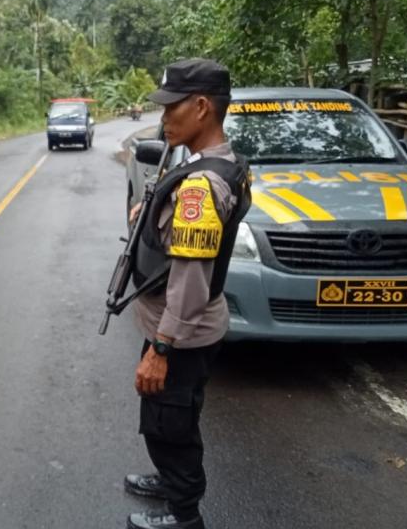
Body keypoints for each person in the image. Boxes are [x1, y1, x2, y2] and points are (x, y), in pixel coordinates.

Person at [124, 59, 251, 529]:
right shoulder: (221, 163)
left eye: (170, 108)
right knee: (167, 413)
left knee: (171, 424)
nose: (163, 118)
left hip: (179, 332)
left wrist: (161, 348)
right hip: (183, 328)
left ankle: (184, 516)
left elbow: (190, 279)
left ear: (201, 107)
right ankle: (169, 479)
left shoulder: (202, 185)